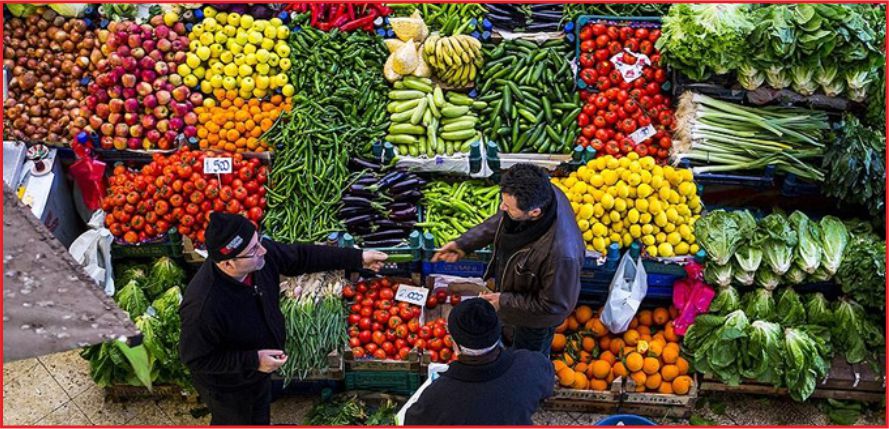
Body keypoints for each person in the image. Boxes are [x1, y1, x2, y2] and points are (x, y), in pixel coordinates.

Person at [179, 213, 387, 425]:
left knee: (260, 410)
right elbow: (195, 359)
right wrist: (253, 361)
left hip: (258, 372)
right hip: (230, 386)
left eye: (258, 240)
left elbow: (300, 256)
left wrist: (358, 258)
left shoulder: (258, 259)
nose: (263, 250)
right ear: (228, 264)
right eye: (253, 250)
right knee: (240, 419)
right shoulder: (202, 307)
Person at [432, 163, 584, 354]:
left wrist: (503, 301)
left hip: (535, 321)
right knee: (509, 337)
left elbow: (554, 306)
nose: (502, 208)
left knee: (526, 357)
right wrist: (464, 243)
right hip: (517, 293)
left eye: (509, 206)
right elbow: (503, 220)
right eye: (503, 201)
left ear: (534, 212)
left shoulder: (561, 255)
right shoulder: (542, 193)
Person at [403, 299, 554, 425]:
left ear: (455, 343)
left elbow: (411, 421)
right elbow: (547, 387)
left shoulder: (437, 396)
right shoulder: (532, 365)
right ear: (497, 332)